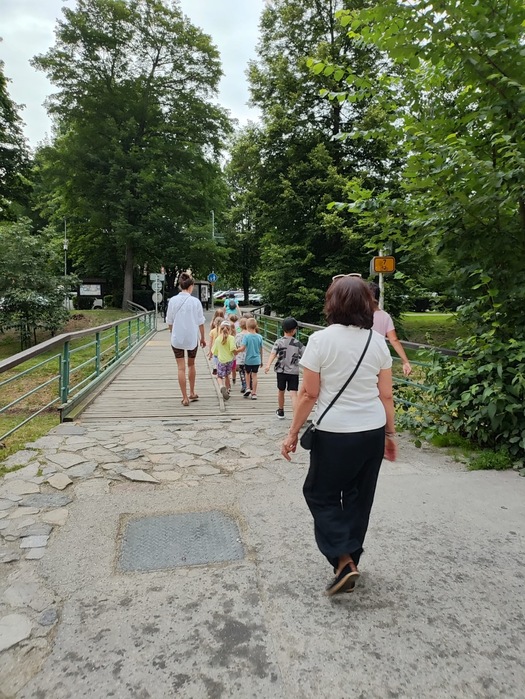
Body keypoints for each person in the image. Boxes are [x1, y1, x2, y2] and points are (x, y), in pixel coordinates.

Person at [281, 276, 396, 596]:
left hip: (334, 433)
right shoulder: (377, 342)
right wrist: (390, 434)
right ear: (367, 305)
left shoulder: (319, 341)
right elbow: (386, 395)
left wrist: (292, 433)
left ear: (332, 303)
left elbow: (308, 394)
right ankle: (350, 559)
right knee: (360, 497)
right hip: (371, 431)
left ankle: (344, 559)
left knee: (320, 493)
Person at [166, 272, 206, 407]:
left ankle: (184, 398)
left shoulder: (172, 301)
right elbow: (201, 322)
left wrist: (172, 332)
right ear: (191, 286)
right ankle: (192, 392)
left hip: (177, 338)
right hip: (192, 338)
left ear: (180, 285)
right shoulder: (195, 302)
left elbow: (169, 321)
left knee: (181, 368)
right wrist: (203, 338)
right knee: (191, 365)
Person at [265, 316, 305, 419]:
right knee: (293, 394)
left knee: (281, 391)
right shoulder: (298, 344)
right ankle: (296, 415)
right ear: (294, 330)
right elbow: (306, 355)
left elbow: (273, 353)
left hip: (281, 371)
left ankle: (281, 410)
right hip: (293, 371)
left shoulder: (279, 342)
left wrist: (268, 365)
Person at [369, 282, 412, 376]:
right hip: (380, 357)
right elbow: (394, 339)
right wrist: (405, 361)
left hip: (363, 358)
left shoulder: (359, 316)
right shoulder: (385, 316)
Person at [212, 320, 238, 400]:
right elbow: (233, 349)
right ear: (230, 330)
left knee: (219, 376)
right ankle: (227, 389)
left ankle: (221, 386)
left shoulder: (218, 339)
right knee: (227, 375)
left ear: (220, 329)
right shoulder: (231, 338)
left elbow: (214, 351)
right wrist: (237, 351)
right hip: (229, 360)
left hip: (221, 360)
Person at [238, 317, 263, 399]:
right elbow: (261, 349)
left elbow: (242, 348)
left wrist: (235, 351)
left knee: (247, 373)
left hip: (248, 359)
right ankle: (254, 393)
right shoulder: (259, 337)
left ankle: (248, 388)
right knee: (254, 375)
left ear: (247, 326)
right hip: (257, 360)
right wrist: (261, 360)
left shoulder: (246, 337)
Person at [235, 317, 248, 394]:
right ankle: (250, 383)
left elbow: (236, 345)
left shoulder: (238, 335)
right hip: (249, 356)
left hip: (240, 356)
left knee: (241, 371)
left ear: (240, 325)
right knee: (248, 371)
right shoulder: (250, 335)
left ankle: (244, 384)